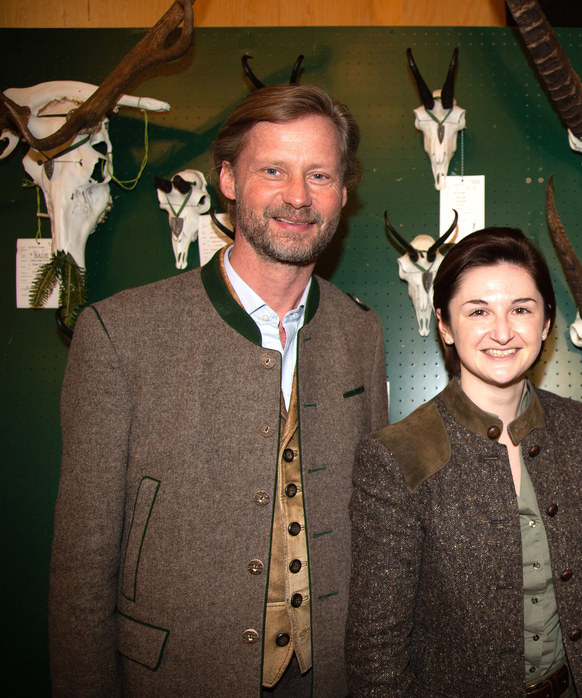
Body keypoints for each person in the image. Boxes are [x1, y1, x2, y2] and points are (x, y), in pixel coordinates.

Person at [49, 84, 388, 696]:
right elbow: (81, 569)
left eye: (319, 175)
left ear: (343, 192)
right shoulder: (118, 334)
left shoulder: (361, 332)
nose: (297, 197)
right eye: (273, 171)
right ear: (229, 180)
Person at [346, 228, 582, 697]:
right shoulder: (397, 454)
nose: (502, 331)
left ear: (547, 321)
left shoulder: (573, 425)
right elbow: (377, 646)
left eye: (521, 309)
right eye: (478, 311)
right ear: (446, 326)